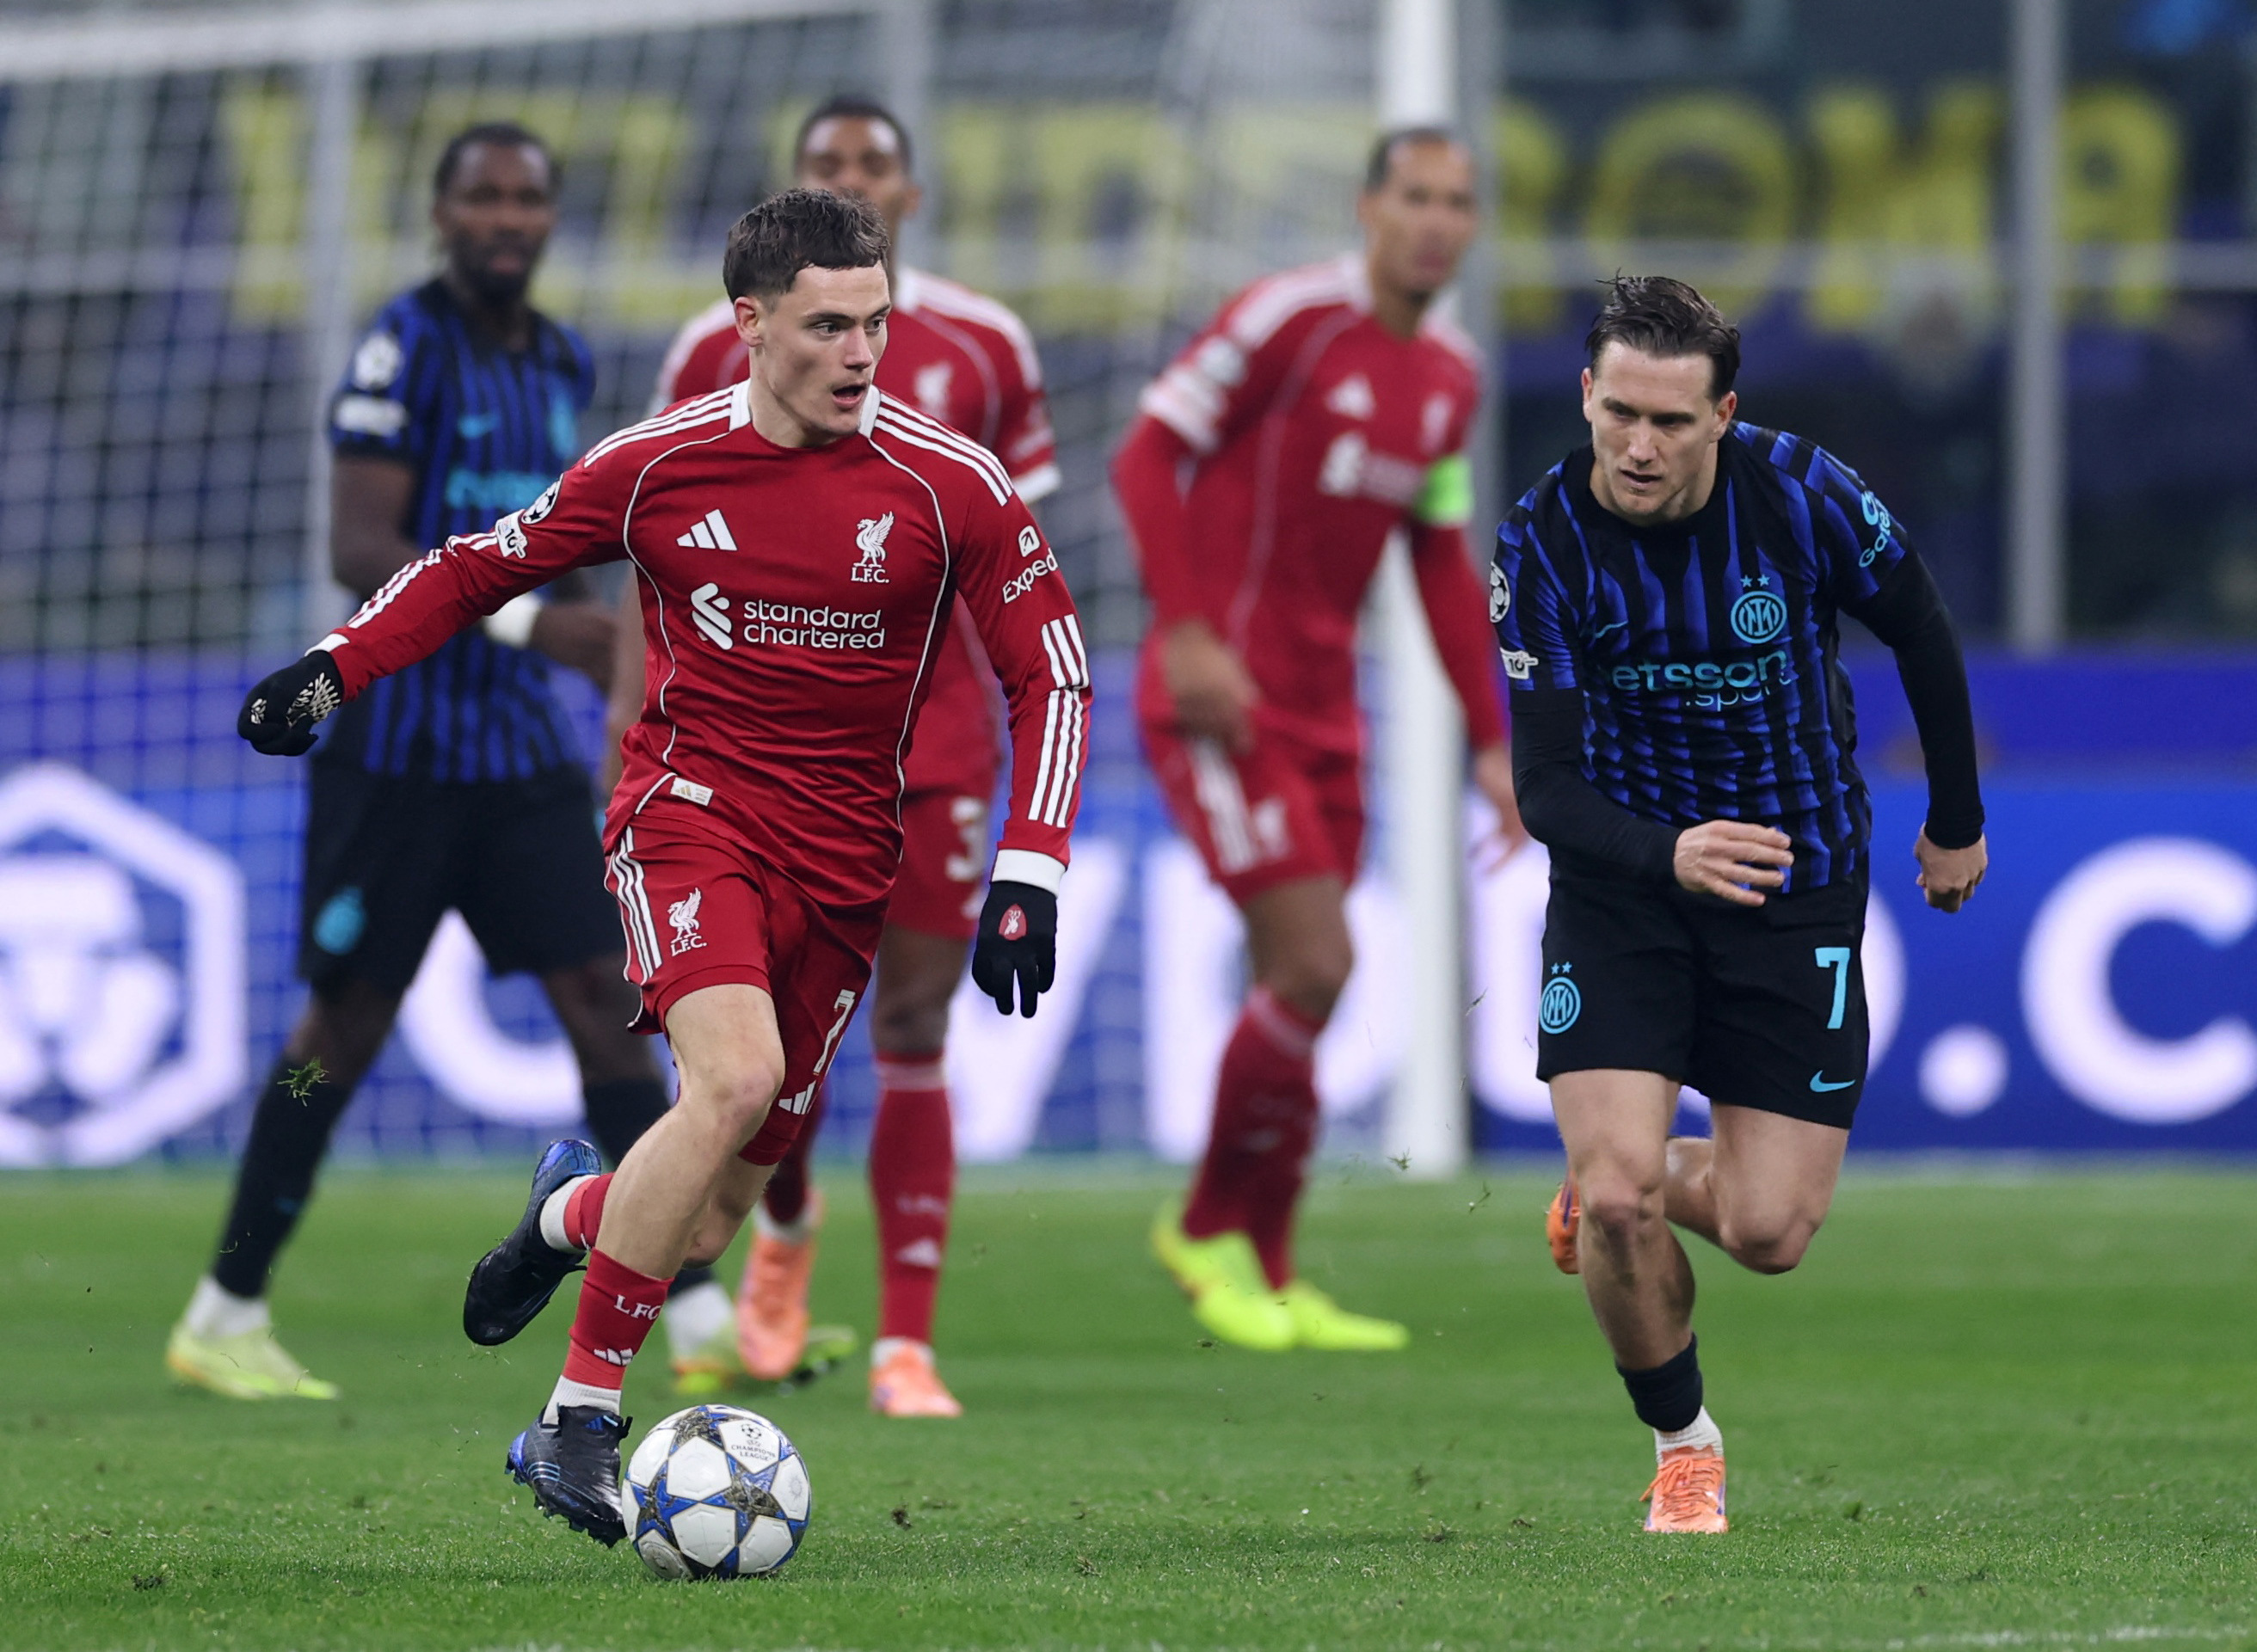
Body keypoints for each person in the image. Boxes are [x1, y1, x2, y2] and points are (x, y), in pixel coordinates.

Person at [234, 188, 1089, 1547]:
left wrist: (1030, 865)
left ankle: (570, 1208)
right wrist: (337, 667)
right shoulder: (659, 464)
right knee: (731, 1076)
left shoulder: (949, 482)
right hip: (686, 814)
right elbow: (477, 568)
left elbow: (1052, 667)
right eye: (827, 326)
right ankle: (576, 1418)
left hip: (849, 861)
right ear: (749, 326)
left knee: (698, 1226)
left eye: (877, 322)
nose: (862, 354)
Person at [164, 122, 734, 1401]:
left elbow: (575, 547)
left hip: (523, 755)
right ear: (441, 213)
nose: (507, 218)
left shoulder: (560, 362)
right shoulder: (398, 347)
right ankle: (225, 1306)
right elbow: (362, 547)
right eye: (483, 196)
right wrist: (544, 628)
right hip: (398, 755)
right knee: (342, 1027)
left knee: (608, 998)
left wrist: (616, 682)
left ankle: (693, 1304)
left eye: (528, 198)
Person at [1492, 275, 1988, 1533]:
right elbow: (1543, 787)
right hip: (1626, 893)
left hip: (1793, 884)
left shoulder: (1803, 493)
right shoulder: (1543, 539)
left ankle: (1635, 1181)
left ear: (1723, 415)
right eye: (1617, 414)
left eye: (1668, 420)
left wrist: (1957, 819)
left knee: (1770, 1230)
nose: (1638, 446)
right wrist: (1668, 854)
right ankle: (1683, 1441)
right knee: (1617, 1196)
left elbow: (1920, 627)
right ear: (1590, 398)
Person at [622, 95, 1060, 1416]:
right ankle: (784, 1240)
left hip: (937, 743)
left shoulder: (988, 345)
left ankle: (906, 1344)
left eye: (873, 166)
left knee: (918, 1021)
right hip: (755, 754)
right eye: (827, 166)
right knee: (765, 1058)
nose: (853, 178)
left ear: (909, 198)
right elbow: (652, 536)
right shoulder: (715, 345)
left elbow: (1015, 571)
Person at [1113, 126, 1522, 1353]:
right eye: (1417, 197)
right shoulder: (1289, 320)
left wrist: (1490, 741)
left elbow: (1440, 563)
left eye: (1458, 202)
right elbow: (1146, 454)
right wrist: (1185, 633)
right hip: (1220, 701)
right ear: (1370, 207)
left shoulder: (1451, 375)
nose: (1436, 221)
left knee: (1307, 981)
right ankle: (1200, 1228)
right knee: (1315, 962)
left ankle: (1276, 1267)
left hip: (1329, 716)